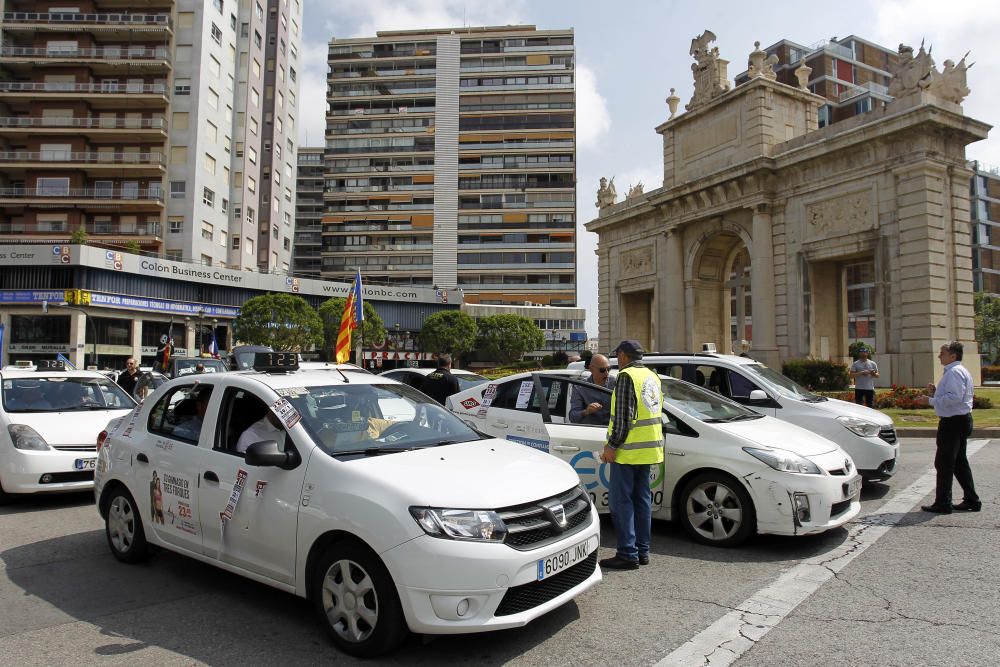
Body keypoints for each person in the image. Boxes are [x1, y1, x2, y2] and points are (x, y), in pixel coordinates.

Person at [599, 341, 664, 570]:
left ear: (623, 356)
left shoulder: (627, 377)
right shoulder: (652, 377)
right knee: (642, 500)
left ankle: (627, 553)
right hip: (648, 450)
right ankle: (642, 550)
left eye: (618, 355)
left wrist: (611, 446)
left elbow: (624, 417)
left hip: (628, 451)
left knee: (621, 502)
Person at [920, 341, 980, 514]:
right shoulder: (959, 371)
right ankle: (972, 500)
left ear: (953, 355)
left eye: (942, 353)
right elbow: (955, 396)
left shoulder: (954, 372)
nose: (939, 355)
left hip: (953, 422)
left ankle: (943, 503)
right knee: (959, 463)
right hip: (960, 420)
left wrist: (929, 400)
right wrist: (936, 392)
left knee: (944, 463)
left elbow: (954, 398)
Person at [570, 354, 616, 425]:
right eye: (602, 370)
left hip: (611, 431)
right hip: (591, 431)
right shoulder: (580, 387)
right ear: (591, 369)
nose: (606, 373)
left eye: (609, 369)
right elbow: (573, 417)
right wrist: (586, 411)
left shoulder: (614, 382)